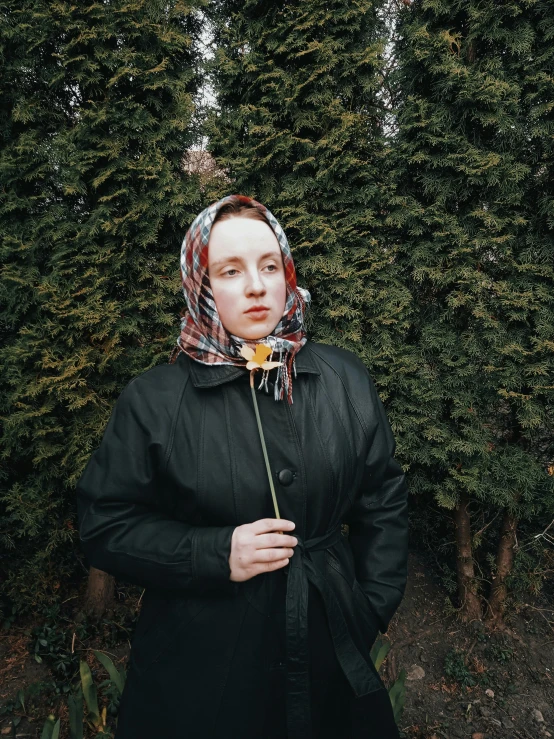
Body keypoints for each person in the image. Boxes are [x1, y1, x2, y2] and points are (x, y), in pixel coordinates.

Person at [76, 194, 409, 739]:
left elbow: (384, 499)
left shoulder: (344, 379)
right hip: (203, 671)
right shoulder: (155, 400)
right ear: (201, 285)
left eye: (269, 265)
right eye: (230, 270)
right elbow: (105, 524)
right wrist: (213, 553)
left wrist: (367, 608)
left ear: (287, 275)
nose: (256, 285)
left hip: (332, 652)